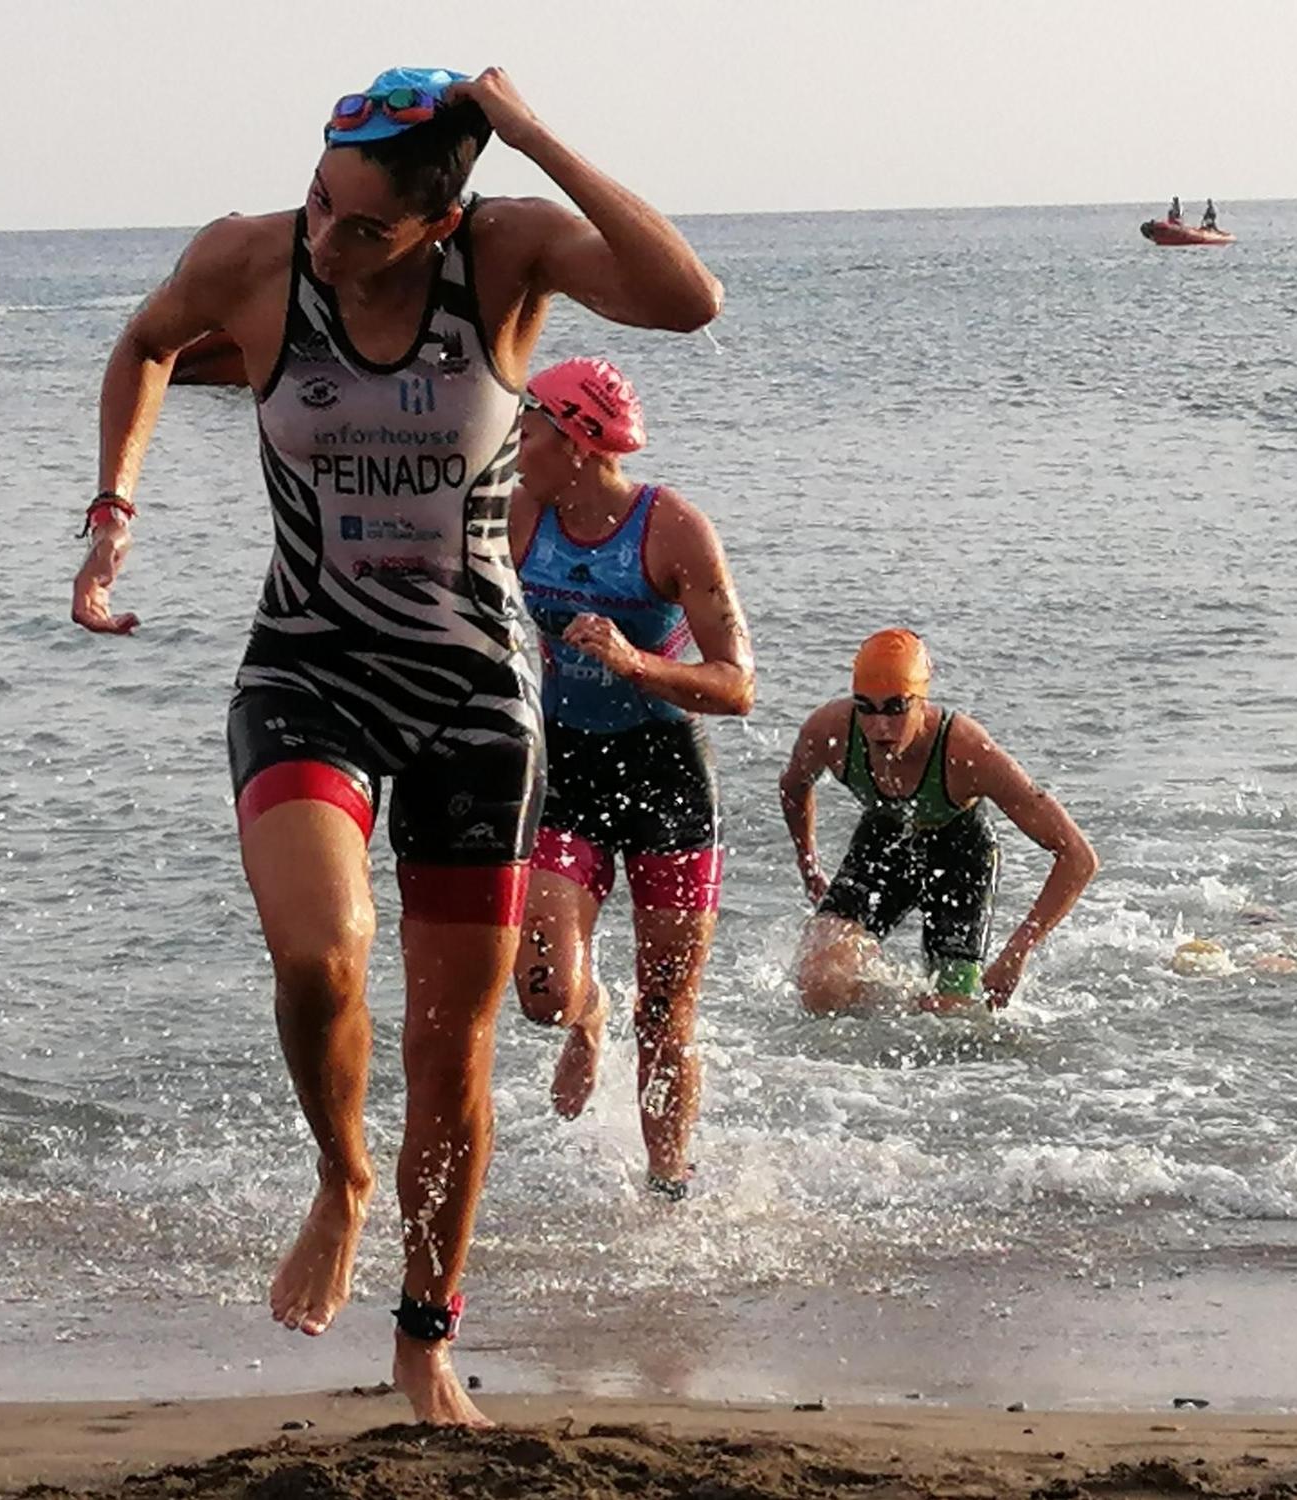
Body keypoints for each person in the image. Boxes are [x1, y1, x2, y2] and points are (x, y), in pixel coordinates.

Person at [67, 64, 722, 1427]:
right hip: (307, 664)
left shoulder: (507, 259)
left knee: (451, 1052)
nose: (326, 239)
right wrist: (115, 506)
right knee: (320, 953)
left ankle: (426, 1334)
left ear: (441, 219)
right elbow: (143, 346)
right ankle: (340, 1177)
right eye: (320, 201)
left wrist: (537, 135)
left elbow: (686, 297)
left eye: (362, 227)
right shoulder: (249, 259)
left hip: (476, 696)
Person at [508, 356, 754, 1200]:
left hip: (666, 777)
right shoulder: (519, 514)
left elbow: (738, 684)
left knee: (667, 1014)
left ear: (577, 441)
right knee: (542, 993)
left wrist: (634, 660)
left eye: (529, 427)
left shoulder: (671, 528)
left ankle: (667, 1190)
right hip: (564, 767)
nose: (515, 440)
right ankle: (586, 1016)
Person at [779, 630, 1098, 1013]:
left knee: (953, 1020)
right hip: (885, 839)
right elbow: (794, 787)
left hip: (961, 855)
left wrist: (1018, 952)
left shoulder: (966, 752)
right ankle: (870, 1047)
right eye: (867, 706)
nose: (880, 726)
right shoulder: (830, 732)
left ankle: (926, 1014)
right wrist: (809, 865)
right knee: (819, 981)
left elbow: (1078, 856)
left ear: (921, 701)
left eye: (896, 707)